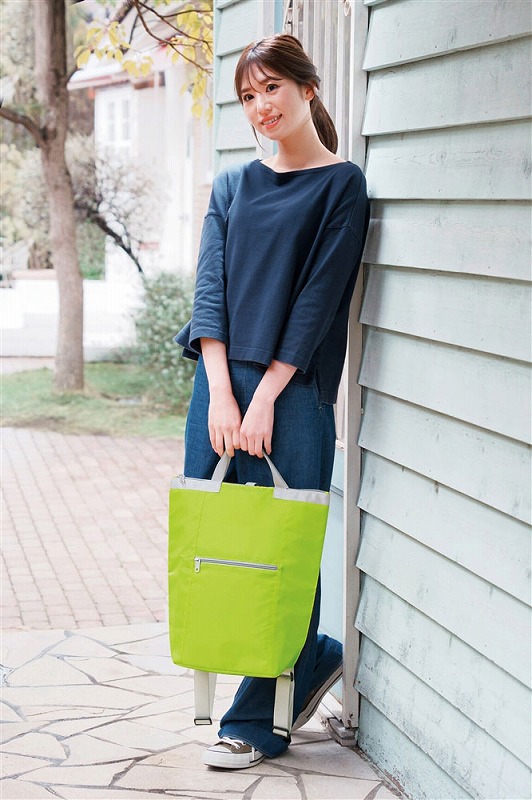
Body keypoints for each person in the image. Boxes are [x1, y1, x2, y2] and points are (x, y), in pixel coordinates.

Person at [175, 33, 370, 770]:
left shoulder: (341, 185)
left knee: (283, 548)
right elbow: (210, 290)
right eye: (248, 96)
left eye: (272, 89)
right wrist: (222, 392)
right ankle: (310, 654)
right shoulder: (231, 185)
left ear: (307, 89)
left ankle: (258, 721)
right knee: (222, 541)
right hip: (220, 391)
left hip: (293, 392)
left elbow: (318, 300)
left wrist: (265, 399)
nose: (261, 107)